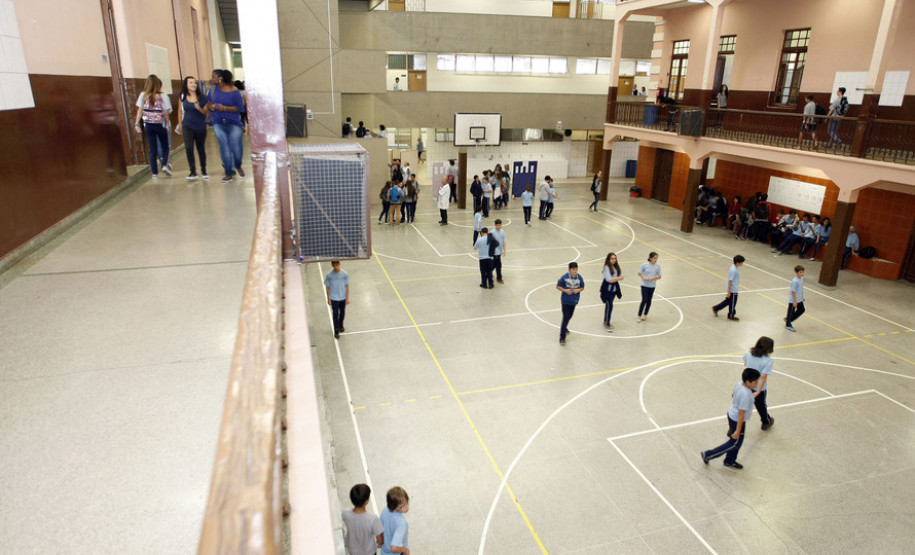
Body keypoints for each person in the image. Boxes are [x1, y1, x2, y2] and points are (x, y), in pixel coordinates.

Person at [700, 368, 761, 470]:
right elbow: (741, 413)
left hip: (731, 413)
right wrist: (738, 430)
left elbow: (733, 395)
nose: (757, 383)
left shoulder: (739, 384)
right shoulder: (746, 395)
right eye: (755, 381)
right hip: (737, 419)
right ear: (748, 382)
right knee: (734, 443)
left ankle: (730, 460)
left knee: (736, 442)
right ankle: (708, 454)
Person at [207, 69, 246, 183]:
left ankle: (238, 165)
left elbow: (240, 108)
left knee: (236, 148)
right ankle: (228, 173)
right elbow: (209, 102)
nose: (212, 79)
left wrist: (224, 108)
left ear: (220, 78)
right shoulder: (213, 90)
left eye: (214, 77)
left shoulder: (235, 91)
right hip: (218, 122)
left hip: (234, 123)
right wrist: (211, 106)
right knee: (225, 147)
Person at [134, 74, 173, 179]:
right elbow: (166, 113)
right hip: (160, 125)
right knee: (165, 146)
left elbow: (140, 111)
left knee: (152, 149)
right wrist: (168, 124)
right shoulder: (163, 96)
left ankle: (154, 174)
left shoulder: (143, 95)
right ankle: (164, 165)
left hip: (148, 125)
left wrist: (137, 124)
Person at [176, 76, 209, 180]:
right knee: (188, 147)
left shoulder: (202, 97)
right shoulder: (182, 96)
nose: (193, 84)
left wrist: (199, 108)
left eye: (194, 83)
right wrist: (180, 124)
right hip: (187, 125)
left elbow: (206, 113)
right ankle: (193, 172)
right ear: (186, 85)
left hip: (200, 126)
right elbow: (179, 111)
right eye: (190, 83)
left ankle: (203, 170)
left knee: (200, 148)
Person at [744, 337, 776, 431]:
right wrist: (758, 391)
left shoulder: (748, 354)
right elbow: (763, 377)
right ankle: (766, 422)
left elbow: (745, 365)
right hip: (758, 387)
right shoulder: (768, 361)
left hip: (747, 384)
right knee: (761, 406)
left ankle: (734, 425)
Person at [342, 484, 384, 555]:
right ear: (366, 502)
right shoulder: (373, 519)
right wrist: (379, 544)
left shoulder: (345, 513)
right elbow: (380, 540)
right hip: (369, 552)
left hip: (353, 551)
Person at [556, 262, 584, 346]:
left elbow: (582, 287)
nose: (575, 271)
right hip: (565, 301)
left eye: (576, 269)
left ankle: (564, 327)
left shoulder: (579, 277)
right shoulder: (564, 277)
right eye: (573, 269)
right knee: (565, 317)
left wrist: (578, 290)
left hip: (574, 301)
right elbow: (558, 286)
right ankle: (562, 337)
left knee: (569, 316)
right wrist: (565, 290)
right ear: (569, 270)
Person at [712, 255, 745, 321]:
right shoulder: (733, 270)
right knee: (733, 303)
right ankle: (731, 315)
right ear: (738, 262)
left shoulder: (734, 267)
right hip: (733, 289)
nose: (742, 264)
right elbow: (730, 280)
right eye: (741, 262)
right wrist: (729, 291)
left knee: (728, 301)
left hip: (733, 288)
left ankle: (716, 308)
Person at [380, 487, 410, 555]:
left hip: (384, 551)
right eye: (401, 507)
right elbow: (394, 548)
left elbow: (379, 528)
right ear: (393, 507)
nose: (406, 507)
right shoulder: (402, 524)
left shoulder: (385, 510)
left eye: (406, 503)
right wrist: (405, 550)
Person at [324, 260, 350, 339]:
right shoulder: (329, 275)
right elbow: (327, 287)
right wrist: (329, 298)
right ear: (332, 265)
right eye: (334, 265)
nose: (335, 267)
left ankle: (340, 324)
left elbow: (347, 286)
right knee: (335, 314)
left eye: (337, 265)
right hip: (334, 298)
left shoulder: (345, 274)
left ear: (339, 264)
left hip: (342, 297)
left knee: (342, 313)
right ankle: (336, 330)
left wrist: (347, 298)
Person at [600, 252, 623, 331]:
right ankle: (607, 323)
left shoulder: (616, 267)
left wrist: (615, 279)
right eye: (612, 259)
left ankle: (606, 321)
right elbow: (609, 280)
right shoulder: (606, 268)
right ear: (608, 260)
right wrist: (617, 278)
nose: (614, 260)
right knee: (610, 306)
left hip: (613, 291)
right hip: (607, 290)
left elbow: (621, 276)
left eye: (615, 259)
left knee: (608, 305)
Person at [636, 252, 661, 322]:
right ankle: (639, 315)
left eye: (656, 258)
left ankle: (645, 314)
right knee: (644, 300)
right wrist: (644, 277)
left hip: (652, 286)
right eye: (654, 258)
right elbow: (639, 273)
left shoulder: (658, 266)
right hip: (644, 285)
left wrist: (653, 278)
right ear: (650, 258)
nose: (656, 260)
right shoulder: (645, 265)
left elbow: (659, 276)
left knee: (649, 300)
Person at [785, 265, 805, 332]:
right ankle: (788, 324)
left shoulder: (801, 279)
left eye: (803, 272)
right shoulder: (795, 281)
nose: (802, 273)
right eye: (800, 272)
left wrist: (802, 297)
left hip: (799, 299)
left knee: (802, 310)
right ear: (796, 272)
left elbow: (800, 289)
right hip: (793, 300)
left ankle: (788, 320)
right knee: (790, 312)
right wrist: (795, 301)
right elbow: (793, 291)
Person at [490, 219, 506, 284]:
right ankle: (499, 278)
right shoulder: (492, 233)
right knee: (497, 265)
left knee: (495, 265)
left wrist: (504, 250)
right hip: (494, 252)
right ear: (495, 225)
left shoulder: (502, 232)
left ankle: (489, 273)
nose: (499, 226)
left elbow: (504, 241)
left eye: (500, 225)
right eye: (497, 225)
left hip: (499, 252)